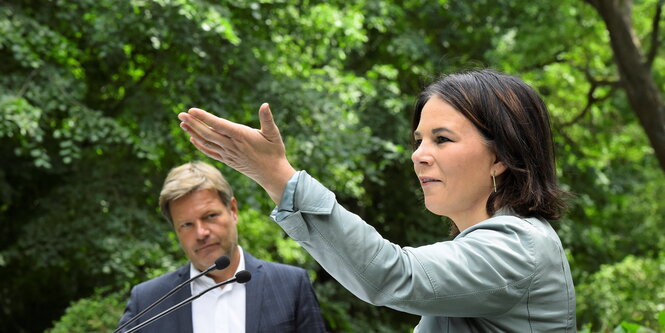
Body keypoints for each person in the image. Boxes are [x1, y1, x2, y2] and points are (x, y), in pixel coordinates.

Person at [177, 69, 577, 332]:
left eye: (442, 139)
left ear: (502, 156)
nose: (418, 154)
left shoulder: (516, 245)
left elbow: (391, 275)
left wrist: (278, 175)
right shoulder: (493, 245)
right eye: (418, 140)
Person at [117, 161, 327, 333]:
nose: (201, 233)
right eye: (187, 224)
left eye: (210, 216)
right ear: (175, 229)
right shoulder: (147, 301)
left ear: (233, 210)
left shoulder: (291, 286)